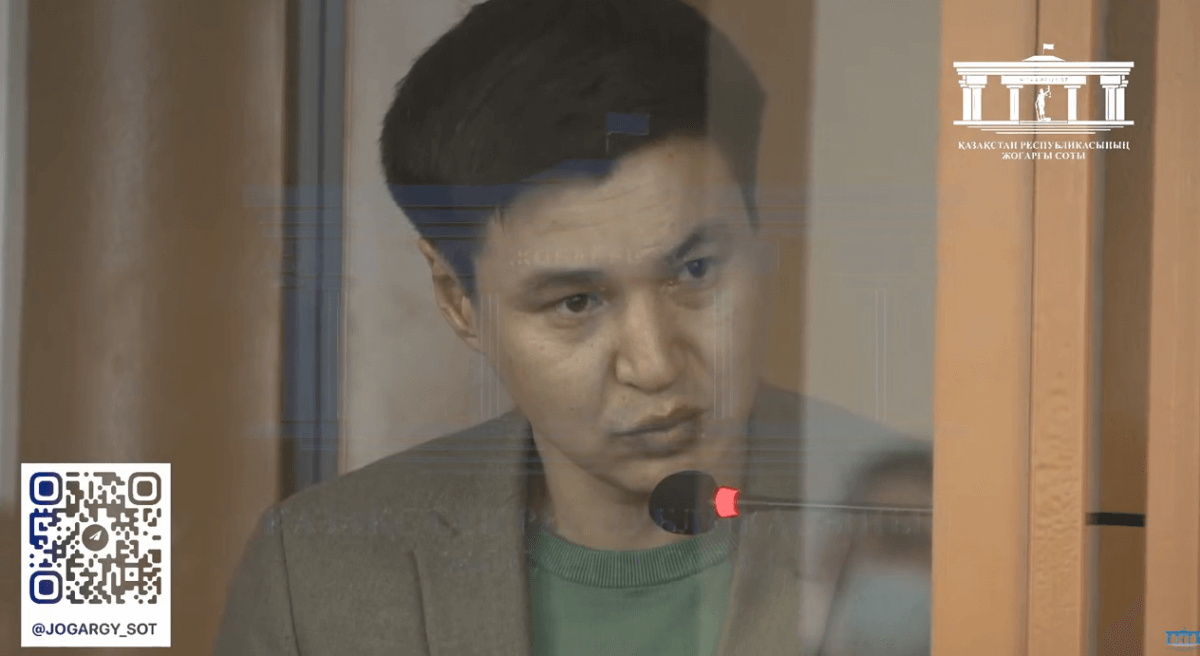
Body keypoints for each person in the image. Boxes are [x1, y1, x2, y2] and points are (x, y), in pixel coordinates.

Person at [212, 0, 914, 654]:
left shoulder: (927, 526)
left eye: (697, 270)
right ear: (458, 300)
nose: (654, 364)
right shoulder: (310, 577)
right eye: (576, 302)